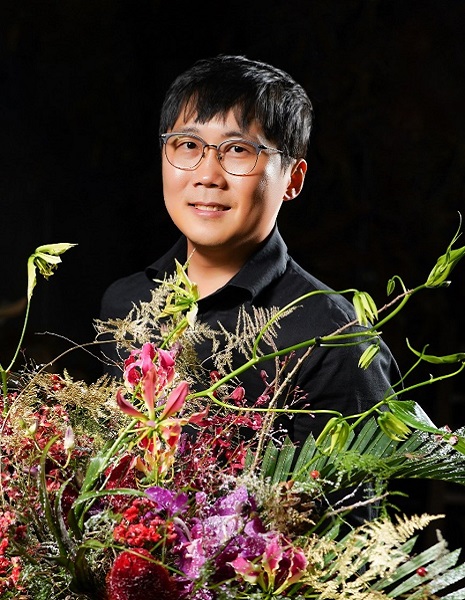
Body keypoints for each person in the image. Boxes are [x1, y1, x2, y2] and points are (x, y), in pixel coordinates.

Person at [100, 54, 399, 449]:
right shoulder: (125, 304)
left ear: (292, 179)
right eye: (188, 145)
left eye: (238, 150)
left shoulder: (332, 339)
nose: (207, 176)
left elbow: (356, 488)